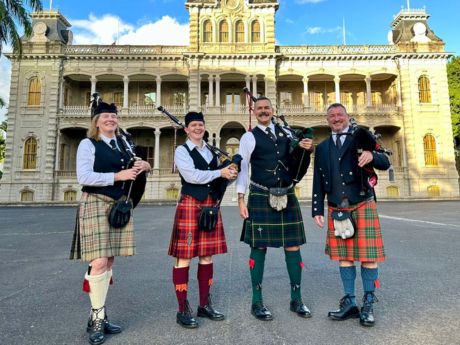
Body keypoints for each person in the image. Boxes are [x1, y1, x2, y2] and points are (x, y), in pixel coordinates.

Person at [70, 99, 151, 345]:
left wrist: (144, 165)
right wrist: (118, 175)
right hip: (95, 201)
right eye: (105, 117)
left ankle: (100, 313)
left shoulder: (123, 144)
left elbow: (136, 167)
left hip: (119, 205)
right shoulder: (88, 144)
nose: (110, 120)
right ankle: (96, 318)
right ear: (96, 121)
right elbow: (83, 176)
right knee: (99, 261)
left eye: (114, 117)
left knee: (110, 260)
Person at [312, 103, 390, 327]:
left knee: (368, 257)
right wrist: (317, 209)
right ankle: (350, 302)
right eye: (332, 116)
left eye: (339, 115)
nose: (336, 119)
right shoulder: (324, 147)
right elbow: (318, 180)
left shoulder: (360, 138)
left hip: (362, 202)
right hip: (337, 207)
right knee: (344, 257)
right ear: (328, 120)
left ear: (347, 117)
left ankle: (367, 302)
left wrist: (371, 155)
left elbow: (385, 161)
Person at [236, 96, 313, 321]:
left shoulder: (287, 134)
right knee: (258, 247)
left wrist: (305, 148)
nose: (263, 111)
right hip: (260, 194)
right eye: (259, 108)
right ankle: (257, 302)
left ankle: (296, 299)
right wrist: (241, 198)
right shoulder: (248, 137)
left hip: (287, 193)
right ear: (254, 111)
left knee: (293, 246)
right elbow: (242, 168)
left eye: (267, 108)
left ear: (273, 110)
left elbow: (296, 162)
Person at [168, 111, 238, 329]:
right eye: (194, 125)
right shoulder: (181, 150)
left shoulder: (210, 150)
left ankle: (204, 304)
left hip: (210, 204)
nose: (198, 128)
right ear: (187, 129)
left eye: (201, 124)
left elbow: (219, 176)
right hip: (191, 203)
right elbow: (192, 176)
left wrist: (231, 172)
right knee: (185, 257)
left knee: (207, 256)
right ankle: (182, 309)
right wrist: (221, 173)